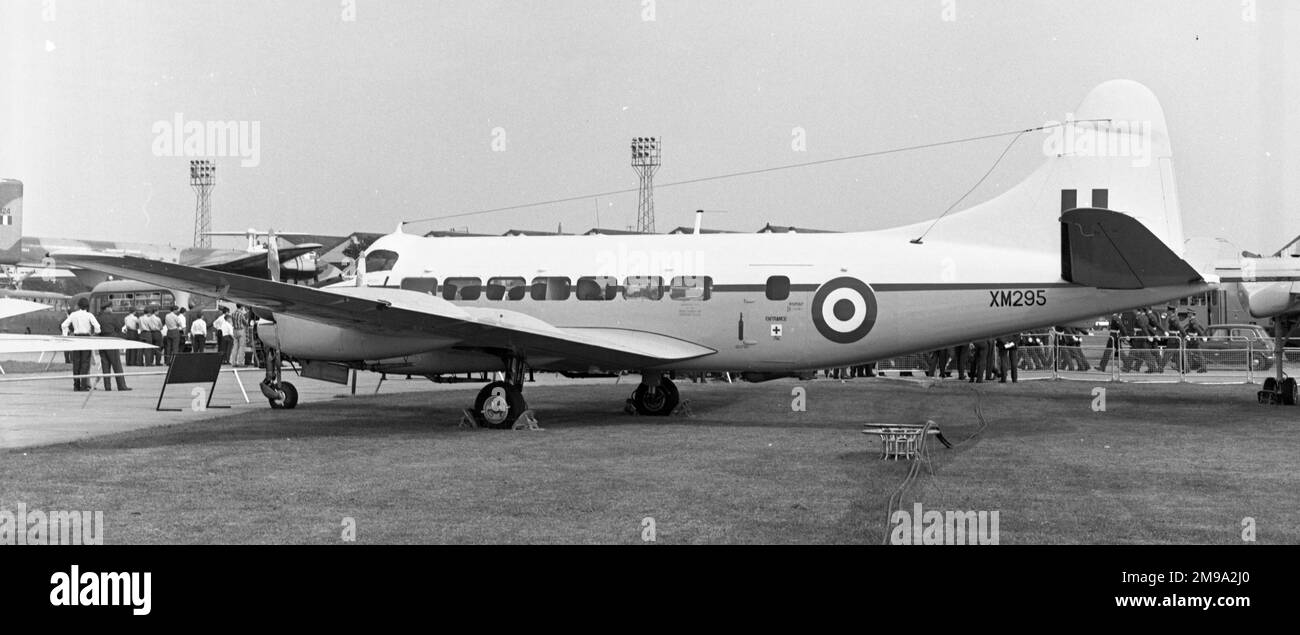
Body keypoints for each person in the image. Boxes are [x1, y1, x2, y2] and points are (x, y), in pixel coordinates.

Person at [61, 297, 100, 391]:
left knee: (76, 362)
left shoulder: (73, 314)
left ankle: (76, 385)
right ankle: (84, 385)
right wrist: (95, 333)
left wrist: (65, 335)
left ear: (79, 305)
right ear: (87, 306)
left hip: (76, 338)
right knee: (85, 362)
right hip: (86, 338)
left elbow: (63, 325)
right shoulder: (89, 315)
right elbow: (98, 327)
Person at [95, 304, 130, 391]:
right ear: (107, 308)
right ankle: (121, 386)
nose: (111, 309)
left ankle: (107, 386)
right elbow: (119, 328)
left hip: (102, 342)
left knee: (105, 364)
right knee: (116, 364)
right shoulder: (112, 317)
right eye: (110, 307)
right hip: (111, 341)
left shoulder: (98, 317)